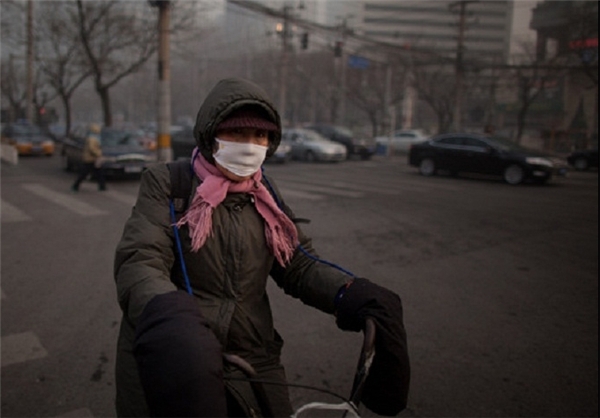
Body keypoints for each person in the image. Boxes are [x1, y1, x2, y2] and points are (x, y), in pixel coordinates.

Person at [113, 77, 410, 417]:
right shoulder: (167, 183)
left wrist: (349, 293)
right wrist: (170, 321)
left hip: (252, 356)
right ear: (210, 136)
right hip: (178, 355)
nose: (250, 145)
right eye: (237, 133)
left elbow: (297, 263)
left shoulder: (264, 192)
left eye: (260, 135)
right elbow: (141, 260)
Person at [71, 123, 106, 192]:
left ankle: (102, 186)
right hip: (90, 159)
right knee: (84, 173)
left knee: (99, 173)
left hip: (92, 158)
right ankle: (75, 186)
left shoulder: (92, 138)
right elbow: (92, 149)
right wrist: (98, 154)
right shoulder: (92, 139)